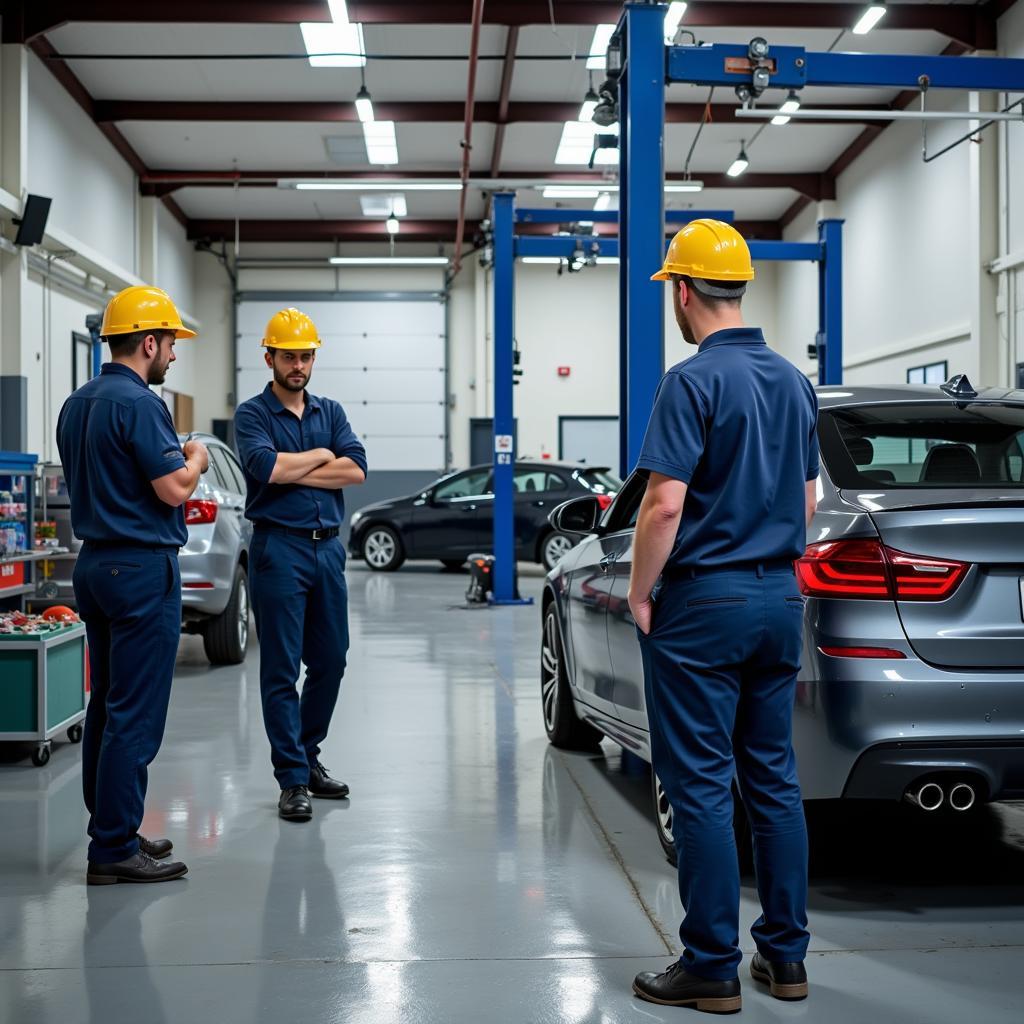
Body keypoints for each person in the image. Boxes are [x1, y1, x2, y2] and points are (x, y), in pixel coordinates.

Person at [628, 220, 818, 1013]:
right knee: (774, 778)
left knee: (702, 783)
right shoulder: (793, 380)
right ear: (737, 287)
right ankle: (786, 960)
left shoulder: (691, 381)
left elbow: (663, 505)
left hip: (704, 605)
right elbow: (807, 502)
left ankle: (710, 964)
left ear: (681, 291)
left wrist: (641, 592)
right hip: (780, 600)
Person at [56, 285, 207, 885]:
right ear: (148, 342)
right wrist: (193, 453)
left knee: (108, 704)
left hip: (93, 564)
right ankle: (114, 848)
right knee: (135, 714)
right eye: (170, 343)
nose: (172, 355)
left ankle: (112, 827)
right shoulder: (141, 404)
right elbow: (174, 488)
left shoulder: (77, 402)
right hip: (141, 568)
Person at [234, 308, 367, 822]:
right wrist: (320, 457)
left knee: (332, 660)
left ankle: (308, 756)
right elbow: (264, 468)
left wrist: (295, 467)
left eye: (305, 356)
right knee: (281, 669)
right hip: (278, 549)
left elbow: (355, 470)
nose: (298, 364)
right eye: (289, 355)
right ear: (269, 356)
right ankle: (291, 778)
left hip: (328, 550)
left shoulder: (330, 410)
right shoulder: (252, 415)